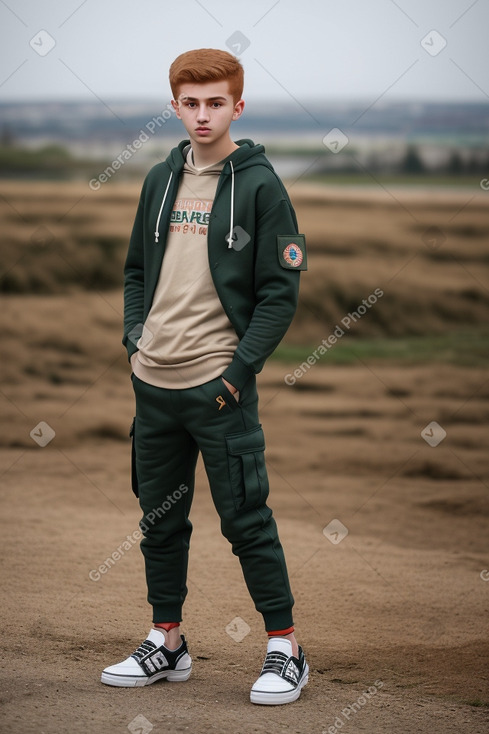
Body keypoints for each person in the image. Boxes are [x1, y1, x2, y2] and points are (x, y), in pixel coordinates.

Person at [101, 48, 308, 705]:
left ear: (237, 106)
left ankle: (285, 650)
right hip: (153, 385)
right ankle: (167, 642)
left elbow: (280, 290)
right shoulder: (159, 181)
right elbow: (136, 270)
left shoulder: (258, 185)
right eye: (189, 103)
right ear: (174, 106)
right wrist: (136, 341)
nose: (201, 114)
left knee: (246, 520)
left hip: (218, 390)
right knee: (158, 521)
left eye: (214, 102)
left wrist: (237, 371)